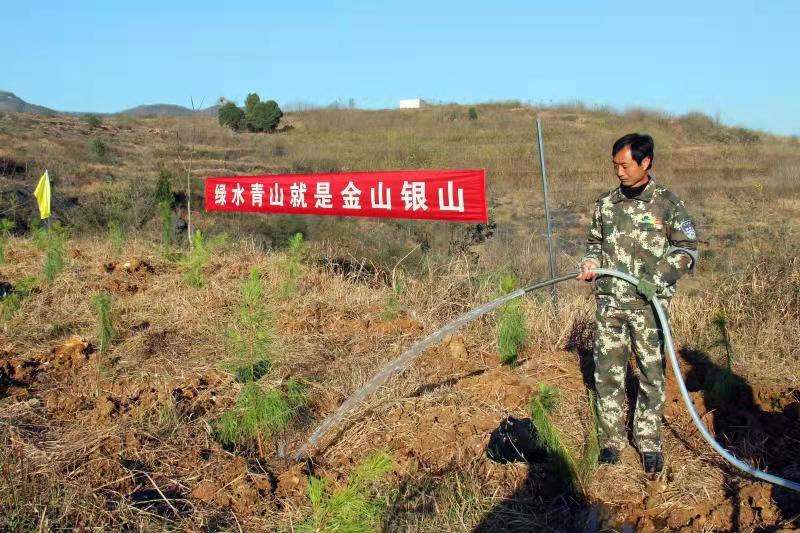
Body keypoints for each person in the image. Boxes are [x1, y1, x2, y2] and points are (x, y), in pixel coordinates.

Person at [576, 133, 698, 473]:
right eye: (615, 165)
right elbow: (594, 243)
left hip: (648, 307)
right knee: (608, 373)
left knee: (650, 373)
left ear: (646, 163)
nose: (619, 172)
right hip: (610, 304)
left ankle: (647, 440)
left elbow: (687, 250)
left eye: (625, 165)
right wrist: (588, 263)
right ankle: (612, 440)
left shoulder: (668, 204)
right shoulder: (605, 204)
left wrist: (656, 279)